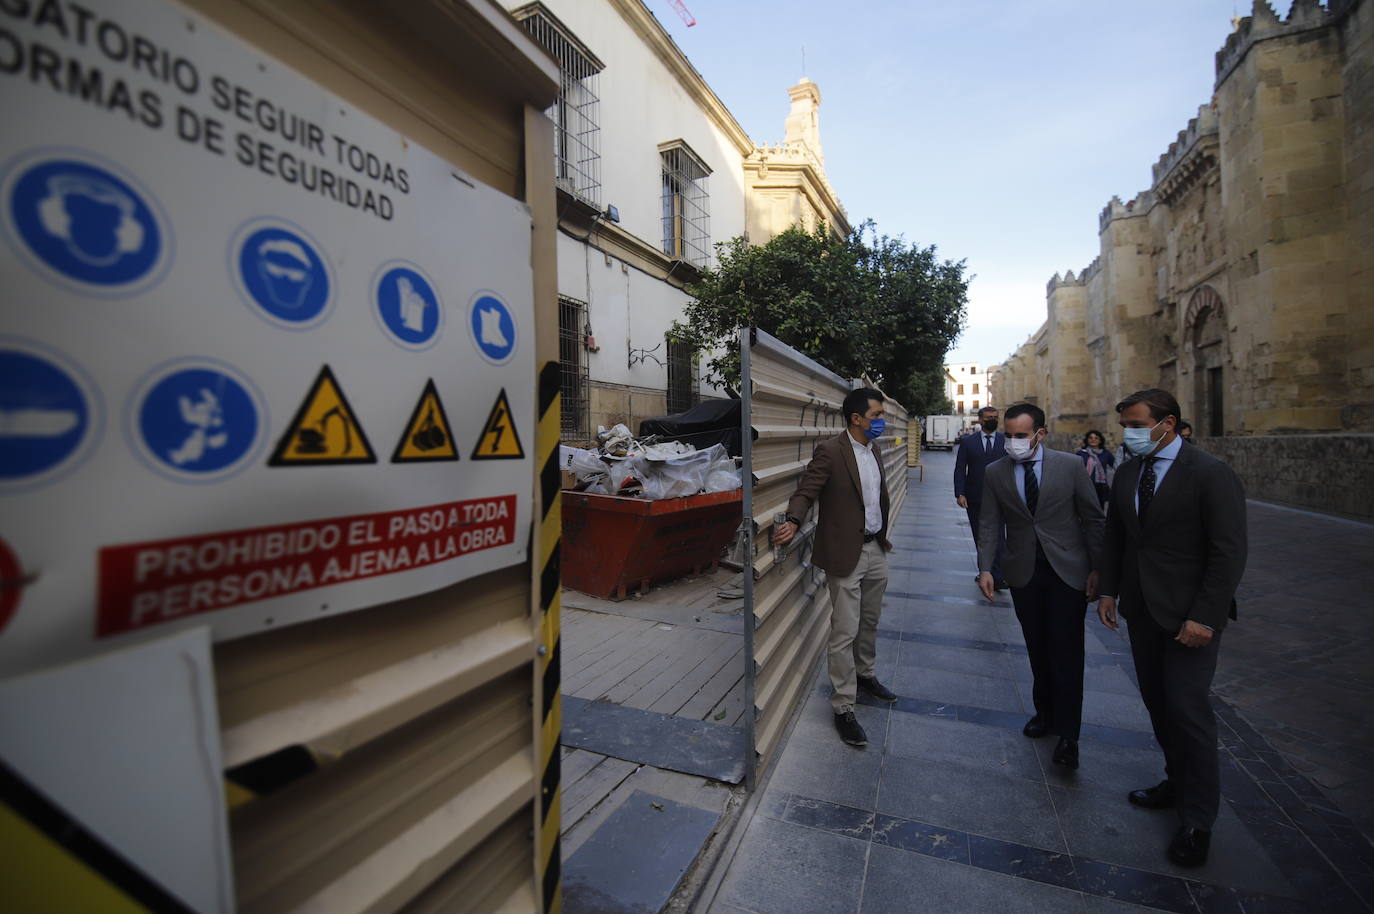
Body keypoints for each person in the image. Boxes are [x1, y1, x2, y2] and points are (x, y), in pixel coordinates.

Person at [1097, 388, 1246, 868]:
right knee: (1159, 705)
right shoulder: (1127, 474)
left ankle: (1198, 820)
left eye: (1137, 425)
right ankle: (1176, 781)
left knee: (1188, 711)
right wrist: (1108, 591)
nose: (1130, 434)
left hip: (1190, 618)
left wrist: (1206, 615)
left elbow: (1228, 552)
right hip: (1143, 612)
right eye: (1125, 426)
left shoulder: (1210, 474)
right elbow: (1117, 538)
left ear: (1168, 423)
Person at [976, 404, 1104, 770]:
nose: (1013, 443)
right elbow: (989, 523)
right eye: (1009, 436)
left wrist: (1099, 570)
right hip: (1023, 573)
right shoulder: (995, 472)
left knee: (1066, 651)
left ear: (1040, 434)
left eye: (1021, 436)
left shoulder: (1070, 466)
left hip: (1067, 571)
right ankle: (1044, 712)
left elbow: (1093, 519)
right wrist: (985, 567)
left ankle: (1069, 735)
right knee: (1037, 646)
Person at [773, 387, 896, 747]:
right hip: (846, 553)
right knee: (845, 629)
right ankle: (844, 706)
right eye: (876, 416)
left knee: (870, 621)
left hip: (876, 549)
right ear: (856, 419)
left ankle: (866, 675)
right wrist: (794, 519)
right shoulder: (831, 451)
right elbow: (807, 490)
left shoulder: (874, 451)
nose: (881, 422)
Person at [954, 406, 1006, 586]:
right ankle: (984, 570)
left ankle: (997, 574)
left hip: (1000, 497)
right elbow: (960, 468)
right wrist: (959, 493)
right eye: (989, 417)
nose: (993, 419)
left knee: (999, 536)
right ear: (981, 420)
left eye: (995, 417)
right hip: (975, 496)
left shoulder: (1005, 441)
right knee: (980, 535)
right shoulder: (969, 442)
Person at [1076, 430, 1115, 506]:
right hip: (1085, 484)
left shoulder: (1105, 453)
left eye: (1096, 438)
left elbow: (1115, 465)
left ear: (1100, 441)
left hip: (1101, 486)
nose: (1093, 440)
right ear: (1087, 440)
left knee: (1100, 507)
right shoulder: (1081, 453)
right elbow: (1076, 469)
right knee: (1086, 506)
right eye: (1090, 438)